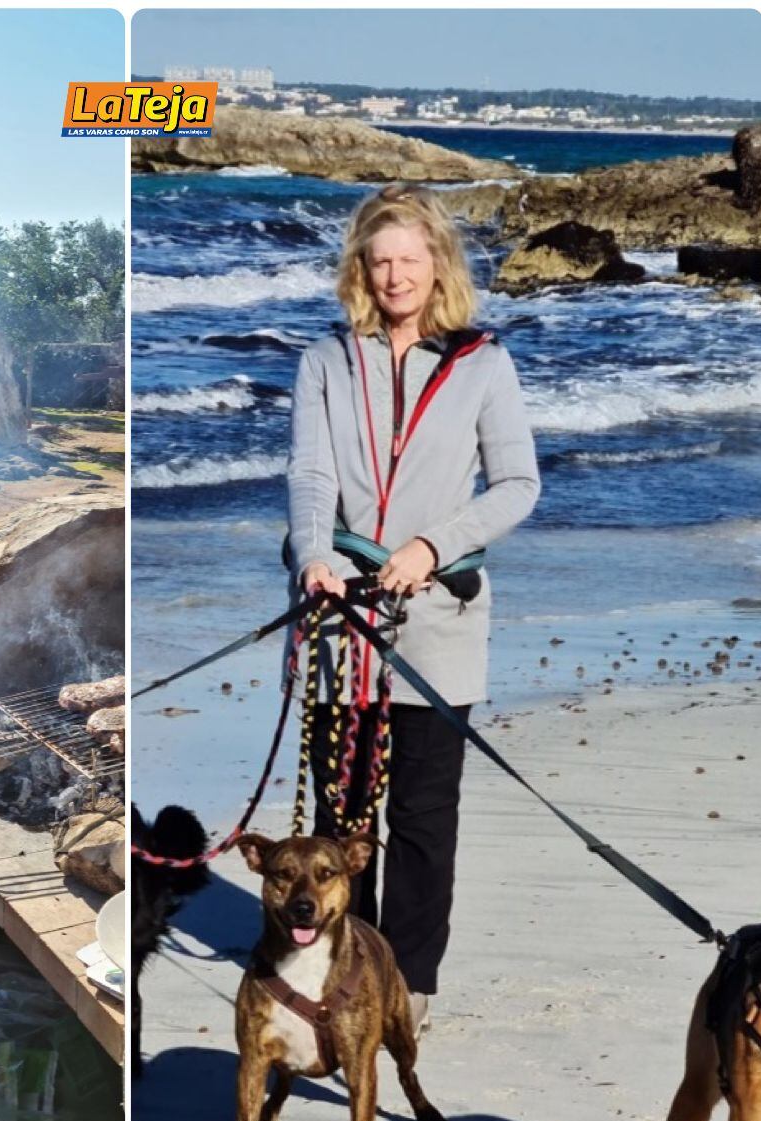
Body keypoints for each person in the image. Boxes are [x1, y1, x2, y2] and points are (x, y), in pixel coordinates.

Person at [287, 183, 540, 1036]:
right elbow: (311, 477)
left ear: (437, 266)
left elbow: (517, 486)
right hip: (341, 618)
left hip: (441, 619)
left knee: (425, 817)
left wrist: (433, 546)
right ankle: (342, 967)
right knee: (341, 824)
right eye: (379, 260)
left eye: (409, 260)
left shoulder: (484, 362)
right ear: (361, 266)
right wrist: (315, 554)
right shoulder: (324, 358)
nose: (394, 275)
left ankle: (410, 982)